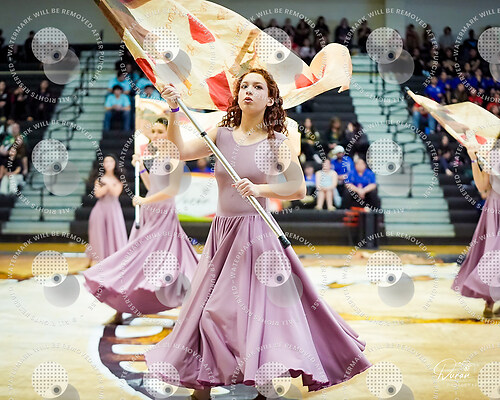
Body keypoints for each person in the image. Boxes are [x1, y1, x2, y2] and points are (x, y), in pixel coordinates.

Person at [145, 69, 371, 400]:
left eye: (257, 86)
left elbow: (297, 187)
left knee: (257, 315)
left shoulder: (276, 140)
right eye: (244, 86)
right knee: (205, 310)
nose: (249, 90)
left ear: (270, 98)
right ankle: (202, 388)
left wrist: (259, 188)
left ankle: (263, 385)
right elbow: (177, 152)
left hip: (257, 237)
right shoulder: (221, 133)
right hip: (222, 234)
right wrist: (173, 110)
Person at [83, 118, 200, 324]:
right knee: (135, 259)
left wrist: (145, 200)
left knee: (164, 260)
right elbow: (151, 185)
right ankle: (121, 309)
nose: (155, 135)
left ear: (169, 133)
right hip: (149, 212)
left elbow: (172, 190)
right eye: (153, 131)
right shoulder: (155, 157)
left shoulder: (176, 158)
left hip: (163, 214)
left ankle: (186, 309)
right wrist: (141, 168)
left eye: (160, 131)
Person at [452, 138, 500, 318]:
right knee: (491, 254)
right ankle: (490, 302)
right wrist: (473, 158)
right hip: (495, 207)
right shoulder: (493, 153)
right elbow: (482, 187)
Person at [86, 154, 127, 265]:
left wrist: (107, 185)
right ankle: (97, 260)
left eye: (111, 161)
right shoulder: (99, 179)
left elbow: (116, 193)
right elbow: (98, 193)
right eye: (106, 161)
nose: (108, 164)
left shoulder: (119, 179)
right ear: (103, 164)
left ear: (115, 164)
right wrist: (109, 185)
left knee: (115, 233)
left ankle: (115, 261)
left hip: (114, 210)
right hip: (100, 210)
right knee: (99, 235)